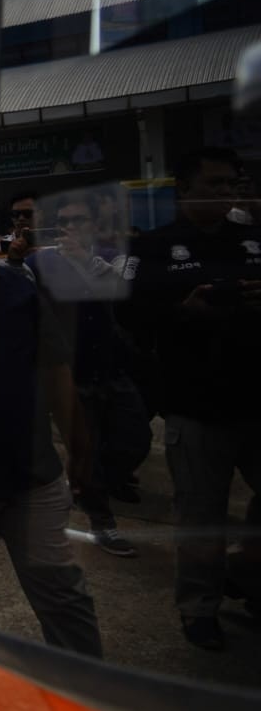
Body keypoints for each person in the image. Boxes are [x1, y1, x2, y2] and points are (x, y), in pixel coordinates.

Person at [124, 147, 261, 650]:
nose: (227, 194)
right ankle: (199, 609)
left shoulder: (251, 241)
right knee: (201, 516)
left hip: (255, 399)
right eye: (216, 184)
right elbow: (132, 321)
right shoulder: (156, 248)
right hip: (195, 405)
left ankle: (246, 576)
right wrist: (185, 311)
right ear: (185, 190)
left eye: (233, 185)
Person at [0, 262, 104, 656]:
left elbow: (56, 371)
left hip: (27, 468)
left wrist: (78, 445)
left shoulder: (16, 291)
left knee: (60, 592)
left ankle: (83, 689)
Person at [27, 193, 146, 558]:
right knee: (85, 448)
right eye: (63, 221)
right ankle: (102, 521)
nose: (69, 228)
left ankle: (85, 486)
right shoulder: (40, 262)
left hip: (113, 366)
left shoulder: (118, 257)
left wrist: (86, 264)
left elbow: (128, 299)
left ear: (96, 225)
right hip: (69, 372)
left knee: (136, 439)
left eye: (78, 220)